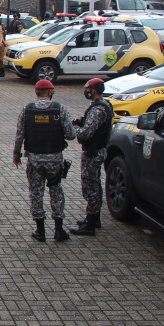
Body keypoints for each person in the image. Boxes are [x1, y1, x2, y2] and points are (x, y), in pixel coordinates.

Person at [13, 79, 77, 242]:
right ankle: (58, 230)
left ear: (36, 93)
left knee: (36, 193)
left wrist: (16, 156)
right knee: (56, 192)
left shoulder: (27, 110)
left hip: (34, 160)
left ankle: (40, 231)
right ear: (49, 92)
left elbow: (19, 135)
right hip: (54, 160)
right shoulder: (60, 109)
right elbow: (71, 135)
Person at [69, 78, 115, 236]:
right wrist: (83, 121)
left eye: (87, 89)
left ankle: (90, 223)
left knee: (91, 187)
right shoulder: (104, 105)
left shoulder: (97, 110)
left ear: (93, 90)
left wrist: (75, 127)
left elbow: (86, 133)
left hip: (93, 152)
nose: (86, 92)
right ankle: (94, 218)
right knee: (94, 185)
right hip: (97, 150)